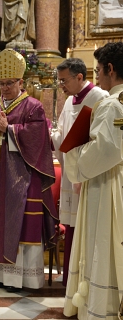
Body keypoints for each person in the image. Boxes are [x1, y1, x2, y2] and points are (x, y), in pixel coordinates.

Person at [0, 48, 58, 292]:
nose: (4, 87)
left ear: (21, 82)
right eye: (2, 83)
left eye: (9, 83)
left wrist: (10, 130)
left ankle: (20, 279)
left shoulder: (33, 106)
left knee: (20, 222)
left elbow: (38, 137)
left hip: (21, 176)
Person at [63, 42, 123, 319]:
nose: (96, 76)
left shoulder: (111, 104)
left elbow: (103, 151)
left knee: (106, 242)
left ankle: (105, 307)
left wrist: (73, 153)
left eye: (98, 70)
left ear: (110, 69)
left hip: (107, 183)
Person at [50, 58, 109, 286]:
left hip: (88, 175)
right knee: (73, 225)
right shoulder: (69, 101)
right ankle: (70, 280)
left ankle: (86, 282)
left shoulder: (99, 98)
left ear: (80, 77)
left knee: (86, 226)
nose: (61, 85)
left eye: (64, 80)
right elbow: (63, 136)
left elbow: (99, 141)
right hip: (69, 173)